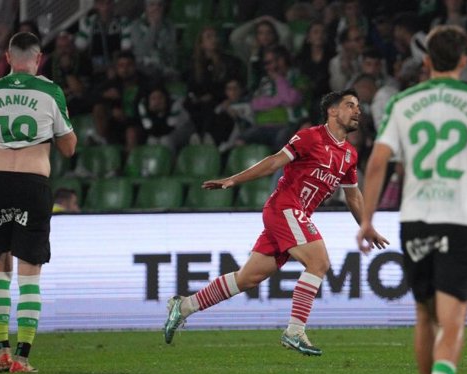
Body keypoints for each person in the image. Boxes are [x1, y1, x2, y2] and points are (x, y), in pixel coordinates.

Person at [163, 89, 389, 356]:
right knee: (319, 262)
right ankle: (294, 331)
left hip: (294, 215)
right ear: (332, 111)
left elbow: (353, 195)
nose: (357, 111)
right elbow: (273, 163)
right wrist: (234, 179)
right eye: (350, 105)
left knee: (248, 278)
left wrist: (366, 225)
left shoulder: (349, 154)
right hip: (285, 207)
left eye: (358, 106)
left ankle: (185, 306)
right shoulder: (309, 137)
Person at [356, 25, 467, 374]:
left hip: (415, 221)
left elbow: (377, 163)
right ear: (464, 60)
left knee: (424, 314)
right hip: (459, 218)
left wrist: (367, 220)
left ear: (426, 61)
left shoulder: (401, 103)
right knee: (453, 315)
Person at [0, 32, 77, 373]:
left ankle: (1, 351)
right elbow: (68, 148)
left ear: (8, 58)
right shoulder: (50, 91)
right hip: (33, 185)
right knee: (30, 277)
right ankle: (23, 357)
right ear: (38, 58)